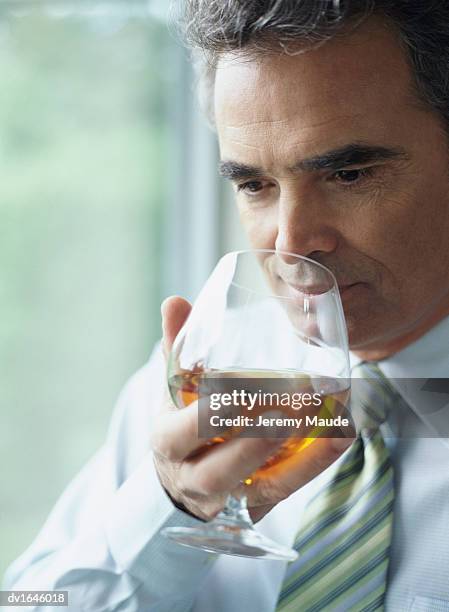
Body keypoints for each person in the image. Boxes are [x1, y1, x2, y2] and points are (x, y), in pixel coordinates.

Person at [4, 1, 449, 610]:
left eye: (349, 175)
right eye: (253, 184)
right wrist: (169, 511)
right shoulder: (202, 389)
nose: (290, 245)